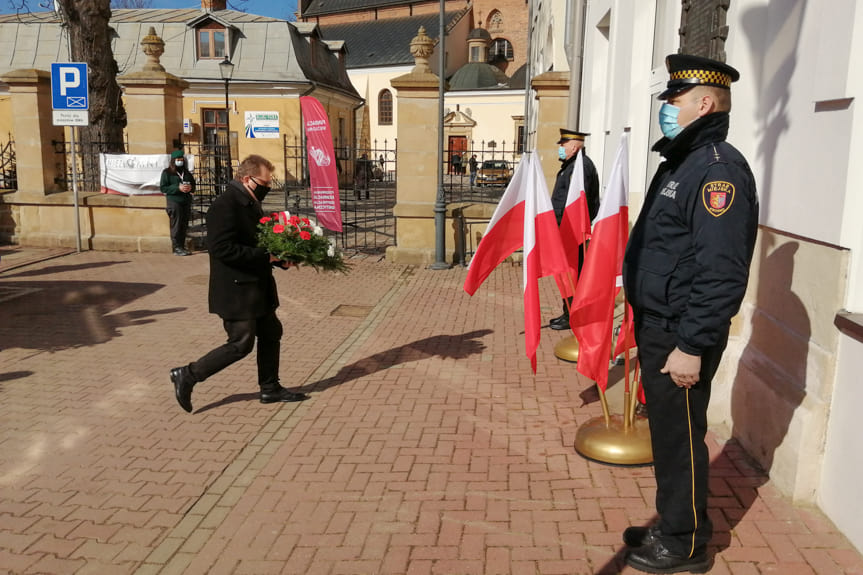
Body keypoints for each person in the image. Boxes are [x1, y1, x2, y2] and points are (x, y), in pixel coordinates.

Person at [621, 54, 758, 574]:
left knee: (680, 437)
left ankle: (686, 542)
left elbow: (721, 271)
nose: (666, 110)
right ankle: (671, 520)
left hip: (681, 332)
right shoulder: (682, 161)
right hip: (660, 323)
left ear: (704, 104)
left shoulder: (717, 170)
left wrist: (693, 344)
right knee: (668, 434)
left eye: (673, 101)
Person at [170, 154, 309, 413]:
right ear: (246, 179)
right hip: (236, 289)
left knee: (271, 332)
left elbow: (255, 243)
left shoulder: (249, 201)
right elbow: (222, 249)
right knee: (240, 343)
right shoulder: (226, 204)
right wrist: (265, 256)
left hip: (256, 286)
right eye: (264, 182)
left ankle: (270, 388)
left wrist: (279, 260)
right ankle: (188, 374)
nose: (268, 187)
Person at [549, 129, 599, 330]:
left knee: (572, 274)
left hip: (571, 231)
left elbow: (581, 202)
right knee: (566, 274)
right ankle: (567, 311)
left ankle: (573, 315)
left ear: (575, 146)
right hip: (564, 229)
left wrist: (566, 225)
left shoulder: (581, 167)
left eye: (563, 144)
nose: (561, 148)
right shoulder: (571, 166)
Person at [160, 149, 196, 256]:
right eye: (178, 159)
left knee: (184, 224)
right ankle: (176, 247)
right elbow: (163, 188)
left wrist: (190, 188)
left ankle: (181, 245)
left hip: (186, 201)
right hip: (174, 202)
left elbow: (193, 185)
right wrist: (177, 187)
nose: (180, 161)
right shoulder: (167, 173)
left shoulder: (186, 173)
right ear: (173, 160)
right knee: (176, 225)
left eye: (181, 159)